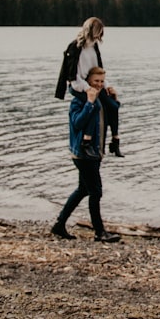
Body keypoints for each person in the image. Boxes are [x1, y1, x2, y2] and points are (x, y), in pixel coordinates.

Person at [51, 66, 122, 242]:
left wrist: (114, 98)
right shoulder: (79, 100)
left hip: (95, 153)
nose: (99, 85)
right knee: (96, 192)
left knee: (83, 189)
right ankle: (99, 232)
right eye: (95, 81)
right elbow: (77, 123)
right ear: (87, 82)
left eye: (101, 81)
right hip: (83, 154)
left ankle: (59, 225)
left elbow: (113, 112)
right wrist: (89, 102)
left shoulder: (101, 99)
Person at [65, 17, 124, 157]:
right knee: (95, 106)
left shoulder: (94, 46)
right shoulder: (75, 47)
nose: (99, 36)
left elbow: (99, 70)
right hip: (78, 85)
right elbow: (73, 76)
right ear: (90, 31)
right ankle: (86, 141)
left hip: (95, 83)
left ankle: (115, 142)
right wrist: (87, 89)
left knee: (113, 105)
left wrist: (106, 86)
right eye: (97, 32)